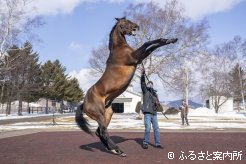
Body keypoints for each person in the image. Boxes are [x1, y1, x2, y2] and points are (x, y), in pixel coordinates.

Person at [141, 68, 163, 149]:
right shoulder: (145, 91)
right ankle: (145, 142)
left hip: (154, 113)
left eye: (151, 84)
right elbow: (142, 83)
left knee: (156, 129)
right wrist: (142, 75)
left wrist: (157, 103)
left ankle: (158, 143)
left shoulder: (154, 94)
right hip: (147, 113)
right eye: (149, 83)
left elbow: (158, 104)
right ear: (147, 85)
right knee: (148, 128)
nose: (150, 85)